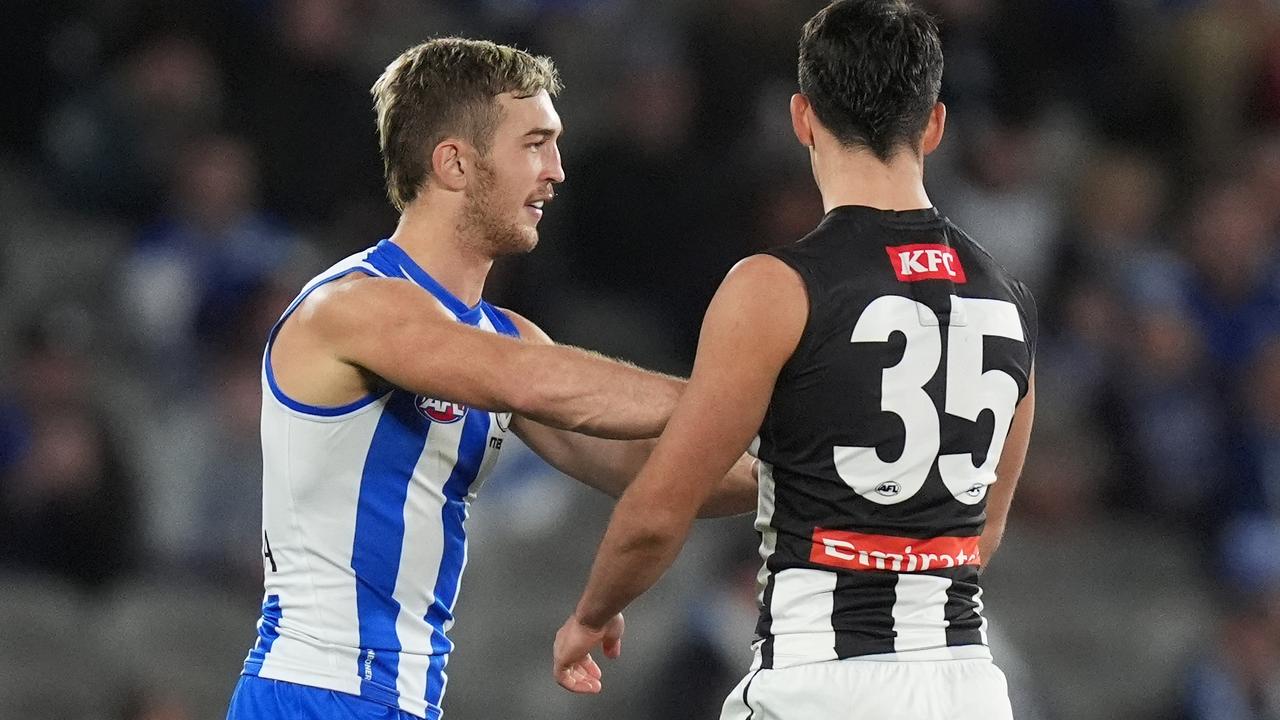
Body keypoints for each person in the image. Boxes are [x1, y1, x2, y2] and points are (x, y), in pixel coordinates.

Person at [224, 38, 756, 720]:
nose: (557, 171)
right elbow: (539, 383)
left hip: (402, 701)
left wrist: (807, 470)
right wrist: (762, 402)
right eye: (534, 143)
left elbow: (644, 462)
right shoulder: (353, 305)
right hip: (311, 694)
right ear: (454, 162)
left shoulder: (503, 337)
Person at [551, 3, 1038, 719]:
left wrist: (593, 613)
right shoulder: (1010, 299)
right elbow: (983, 530)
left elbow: (661, 506)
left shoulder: (775, 288)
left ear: (803, 118)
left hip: (819, 681)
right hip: (968, 687)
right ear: (934, 124)